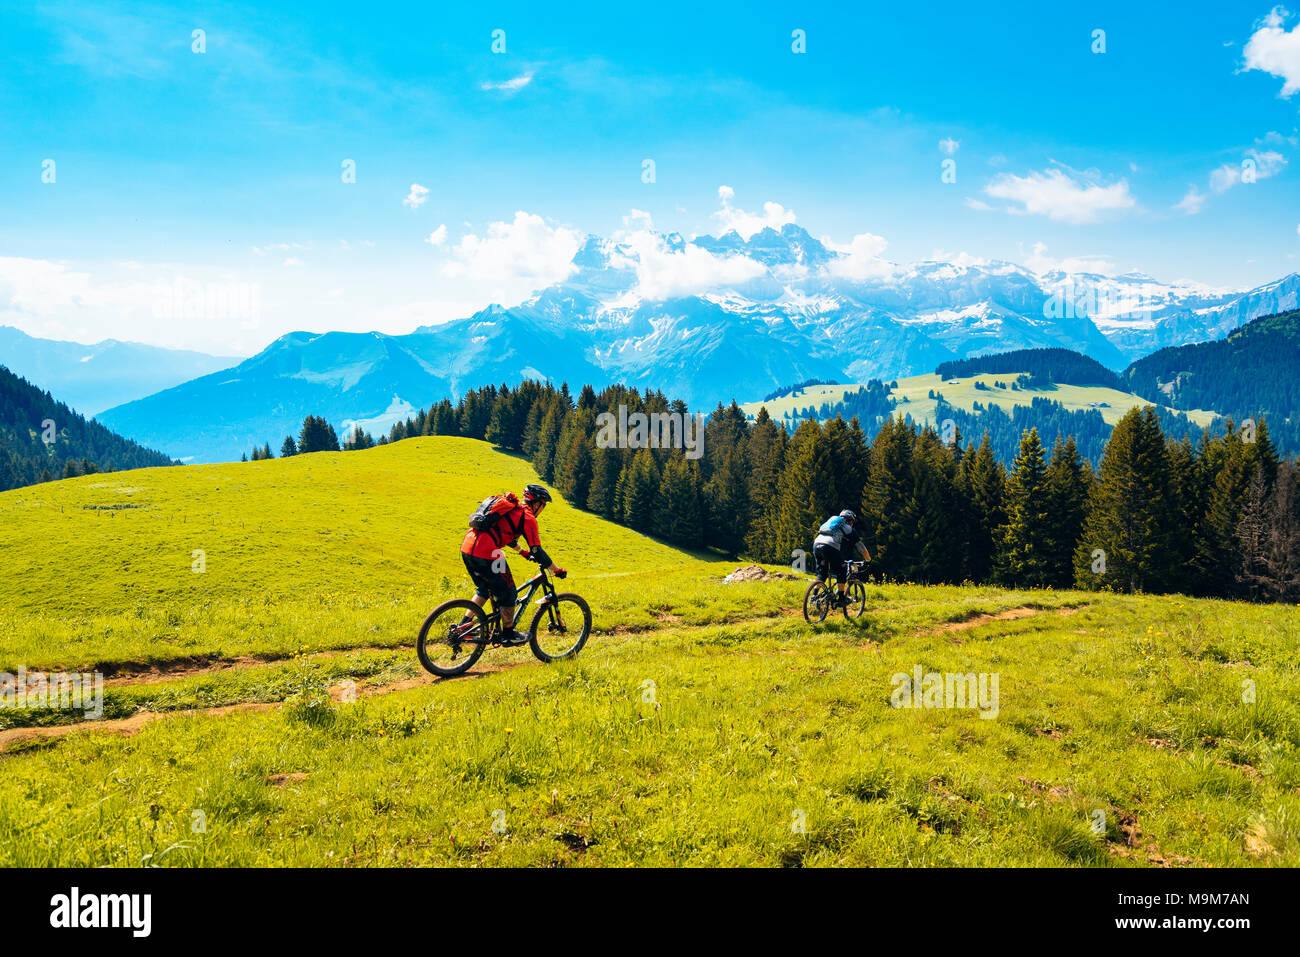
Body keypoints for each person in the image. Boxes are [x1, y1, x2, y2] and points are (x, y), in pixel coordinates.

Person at [461, 483, 566, 645]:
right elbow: (537, 551)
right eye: (543, 506)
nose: (542, 510)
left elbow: (504, 533)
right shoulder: (528, 518)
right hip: (487, 552)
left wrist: (521, 551)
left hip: (467, 547)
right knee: (509, 593)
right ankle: (508, 633)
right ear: (537, 504)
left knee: (484, 589)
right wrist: (556, 570)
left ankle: (463, 627)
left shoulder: (512, 510)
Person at [813, 509, 871, 606]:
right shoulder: (849, 528)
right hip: (830, 547)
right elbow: (861, 547)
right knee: (841, 571)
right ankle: (841, 598)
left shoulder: (831, 522)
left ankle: (813, 597)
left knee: (822, 573)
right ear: (851, 521)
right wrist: (868, 560)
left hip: (817, 544)